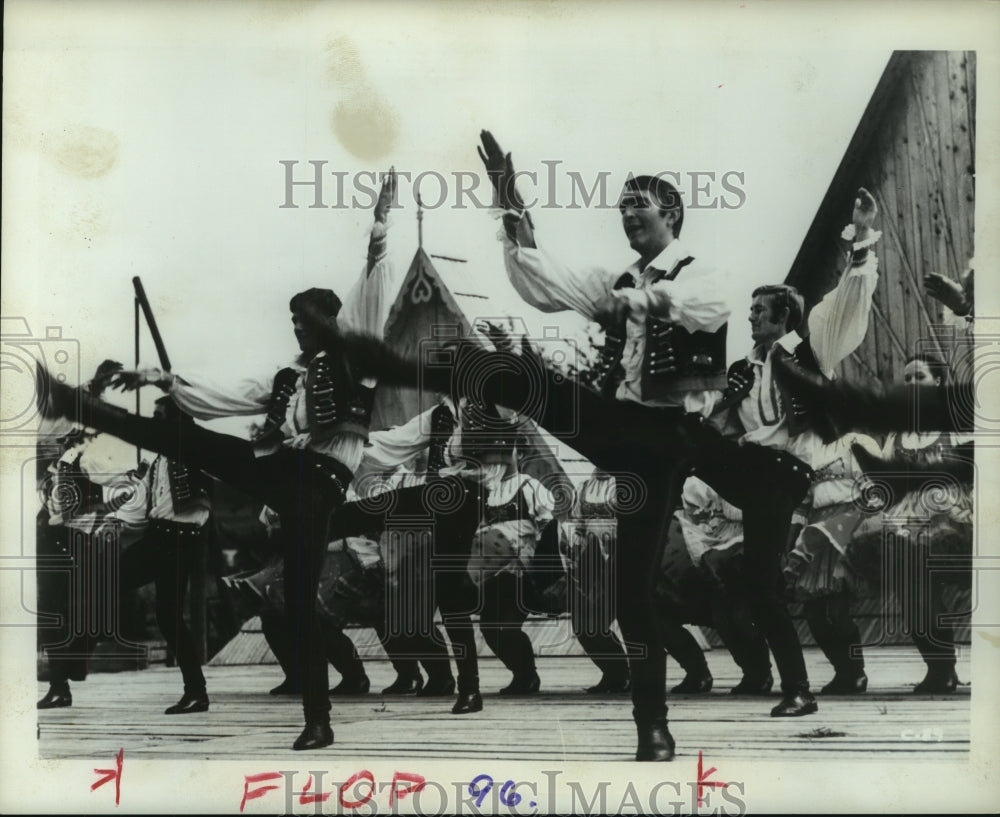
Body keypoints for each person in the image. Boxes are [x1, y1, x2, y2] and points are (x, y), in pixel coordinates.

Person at [41, 171, 399, 751]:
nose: (297, 329)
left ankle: (319, 718)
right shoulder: (287, 377)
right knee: (187, 439)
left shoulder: (352, 354)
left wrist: (378, 232)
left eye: (304, 321)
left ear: (328, 321)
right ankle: (84, 406)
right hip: (280, 473)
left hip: (320, 484)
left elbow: (371, 291)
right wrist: (160, 378)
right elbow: (225, 393)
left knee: (302, 601)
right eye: (294, 322)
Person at [476, 130, 731, 760]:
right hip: (613, 427)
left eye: (636, 205)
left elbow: (704, 307)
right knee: (505, 373)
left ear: (670, 214)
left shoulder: (698, 273)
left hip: (662, 441)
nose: (625, 216)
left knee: (630, 591)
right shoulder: (617, 278)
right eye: (619, 208)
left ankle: (654, 723)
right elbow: (544, 279)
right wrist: (507, 193)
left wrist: (638, 302)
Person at [848, 353, 973, 694]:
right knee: (914, 591)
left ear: (940, 384)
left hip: (957, 521)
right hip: (907, 525)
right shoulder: (896, 437)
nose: (912, 384)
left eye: (919, 377)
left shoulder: (958, 428)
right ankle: (940, 668)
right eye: (907, 379)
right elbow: (884, 482)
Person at [117, 396, 213, 714]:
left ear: (177, 420)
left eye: (160, 416)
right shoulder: (159, 458)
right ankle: (68, 670)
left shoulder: (194, 449)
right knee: (106, 581)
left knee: (168, 615)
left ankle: (196, 692)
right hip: (157, 537)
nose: (155, 421)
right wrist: (115, 522)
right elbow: (141, 500)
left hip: (179, 540)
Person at [561, 470, 631, 694]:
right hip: (591, 559)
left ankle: (695, 671)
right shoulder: (583, 487)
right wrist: (574, 551)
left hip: (622, 558)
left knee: (628, 618)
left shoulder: (625, 484)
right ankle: (615, 673)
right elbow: (578, 527)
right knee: (585, 622)